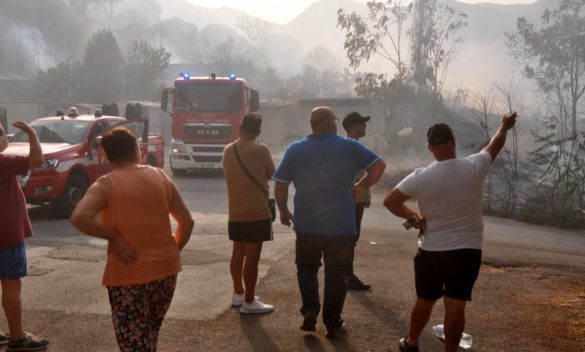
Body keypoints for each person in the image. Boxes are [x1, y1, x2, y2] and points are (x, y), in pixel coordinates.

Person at [383, 112, 517, 352]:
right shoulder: (475, 165)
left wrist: (413, 218)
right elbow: (494, 145)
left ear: (430, 148)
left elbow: (391, 201)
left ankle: (411, 343)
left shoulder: (420, 176)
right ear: (453, 142)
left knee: (425, 300)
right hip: (467, 251)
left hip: (431, 250)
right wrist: (504, 126)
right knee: (456, 305)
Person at [70, 127, 194, 351]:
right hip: (166, 272)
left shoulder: (106, 183)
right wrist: (174, 249)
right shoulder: (160, 176)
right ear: (136, 150)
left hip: (128, 275)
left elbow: (80, 217)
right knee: (149, 334)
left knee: (135, 343)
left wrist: (112, 236)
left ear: (106, 156)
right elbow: (187, 222)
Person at [273, 106, 386, 338]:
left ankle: (310, 310)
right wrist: (362, 186)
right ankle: (333, 323)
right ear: (326, 123)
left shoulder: (295, 149)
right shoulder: (349, 146)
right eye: (334, 119)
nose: (336, 123)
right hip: (340, 227)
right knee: (336, 273)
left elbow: (281, 184)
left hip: (307, 225)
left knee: (306, 268)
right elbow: (379, 166)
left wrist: (283, 211)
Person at [0, 121, 50, 351]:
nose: (5, 138)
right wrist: (31, 133)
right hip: (6, 233)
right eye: (1, 134)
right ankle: (18, 337)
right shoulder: (4, 162)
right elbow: (37, 160)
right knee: (11, 285)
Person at [222, 113, 275, 314]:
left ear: (239, 128)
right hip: (256, 213)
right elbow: (272, 173)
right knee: (252, 258)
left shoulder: (228, 150)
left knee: (238, 253)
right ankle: (250, 301)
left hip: (235, 212)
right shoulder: (261, 150)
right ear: (258, 132)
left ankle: (238, 294)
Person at [342, 112, 373, 291]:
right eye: (362, 124)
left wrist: (366, 197)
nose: (365, 127)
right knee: (350, 238)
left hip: (356, 199)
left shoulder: (350, 145)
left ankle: (345, 274)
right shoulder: (351, 146)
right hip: (352, 200)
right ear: (354, 126)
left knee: (350, 238)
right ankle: (347, 276)